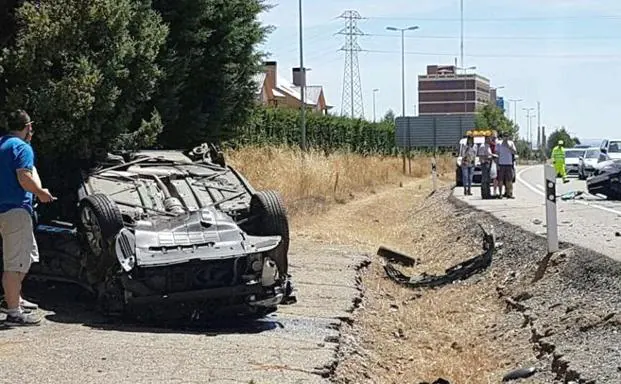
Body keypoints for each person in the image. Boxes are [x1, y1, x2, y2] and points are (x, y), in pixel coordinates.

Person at [0, 110, 55, 326]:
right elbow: (24, 177)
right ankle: (13, 312)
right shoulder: (22, 148)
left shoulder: (2, 144)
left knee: (27, 255)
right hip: (16, 211)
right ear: (28, 127)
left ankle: (16, 298)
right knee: (15, 264)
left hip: (3, 211)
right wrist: (41, 193)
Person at [496, 132, 517, 199]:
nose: (506, 137)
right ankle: (500, 194)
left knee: (509, 180)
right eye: (505, 136)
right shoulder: (499, 143)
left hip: (509, 164)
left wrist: (509, 147)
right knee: (500, 180)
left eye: (507, 136)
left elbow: (514, 152)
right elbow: (497, 154)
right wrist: (497, 164)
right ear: (502, 137)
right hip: (501, 164)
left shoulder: (511, 143)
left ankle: (509, 193)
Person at [478, 134, 494, 199]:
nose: (490, 140)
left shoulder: (488, 146)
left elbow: (489, 154)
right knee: (484, 179)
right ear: (486, 139)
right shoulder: (482, 146)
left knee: (488, 179)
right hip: (484, 164)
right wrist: (489, 157)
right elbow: (481, 156)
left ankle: (488, 193)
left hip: (489, 164)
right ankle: (484, 194)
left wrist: (492, 155)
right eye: (489, 139)